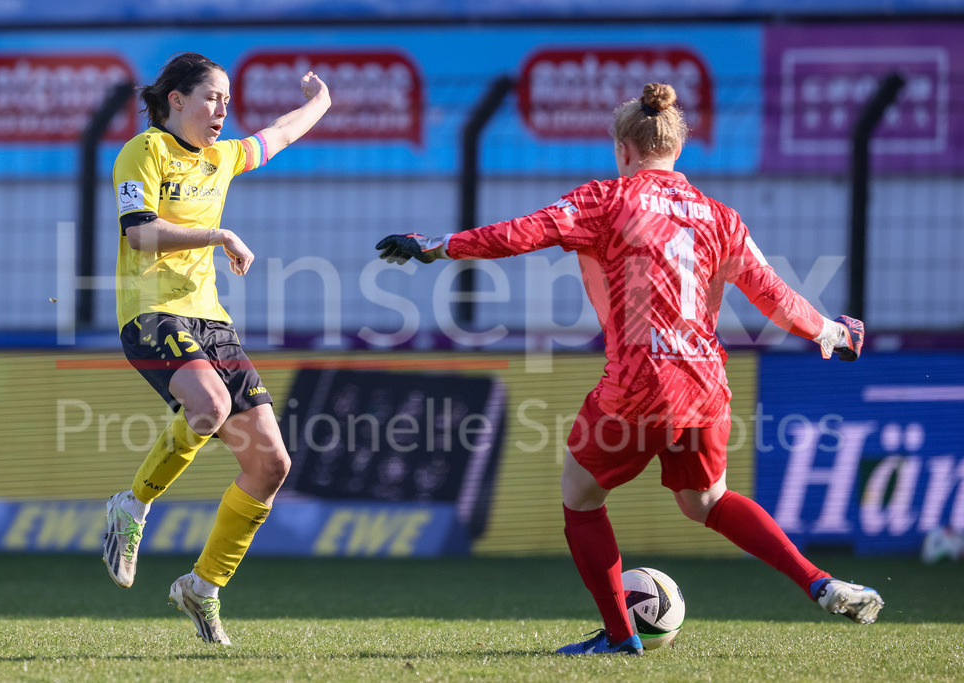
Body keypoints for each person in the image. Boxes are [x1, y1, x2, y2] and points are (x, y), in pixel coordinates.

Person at [375, 83, 883, 656]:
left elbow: (520, 234)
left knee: (580, 495)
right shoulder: (721, 218)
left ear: (624, 148)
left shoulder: (606, 200)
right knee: (707, 500)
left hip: (642, 378)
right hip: (706, 382)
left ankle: (620, 636)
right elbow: (772, 294)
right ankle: (820, 581)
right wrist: (832, 332)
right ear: (678, 150)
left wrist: (434, 246)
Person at [103, 51, 330, 645]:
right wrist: (219, 233)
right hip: (150, 313)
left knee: (271, 464)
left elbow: (278, 135)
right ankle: (132, 505)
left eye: (227, 99)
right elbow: (140, 231)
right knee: (206, 405)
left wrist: (321, 102)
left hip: (210, 321)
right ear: (175, 100)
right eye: (211, 97)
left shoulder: (221, 158)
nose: (222, 109)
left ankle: (201, 588)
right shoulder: (143, 152)